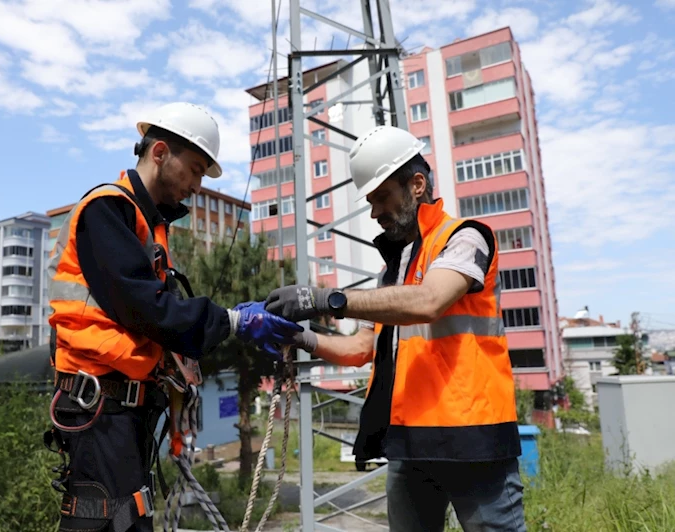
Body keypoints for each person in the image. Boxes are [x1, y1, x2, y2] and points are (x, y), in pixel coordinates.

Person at [45, 102, 303, 532]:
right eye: (196, 170)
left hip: (123, 411)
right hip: (99, 407)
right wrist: (234, 321)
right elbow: (146, 309)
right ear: (160, 152)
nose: (198, 186)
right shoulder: (107, 210)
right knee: (108, 520)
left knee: (126, 518)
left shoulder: (146, 224)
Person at [264, 125, 526, 531]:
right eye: (370, 201)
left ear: (417, 185)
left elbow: (429, 300)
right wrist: (300, 337)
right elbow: (362, 348)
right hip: (412, 440)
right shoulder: (393, 271)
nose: (374, 212)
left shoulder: (465, 237)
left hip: (473, 437)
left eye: (382, 197)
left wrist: (326, 299)